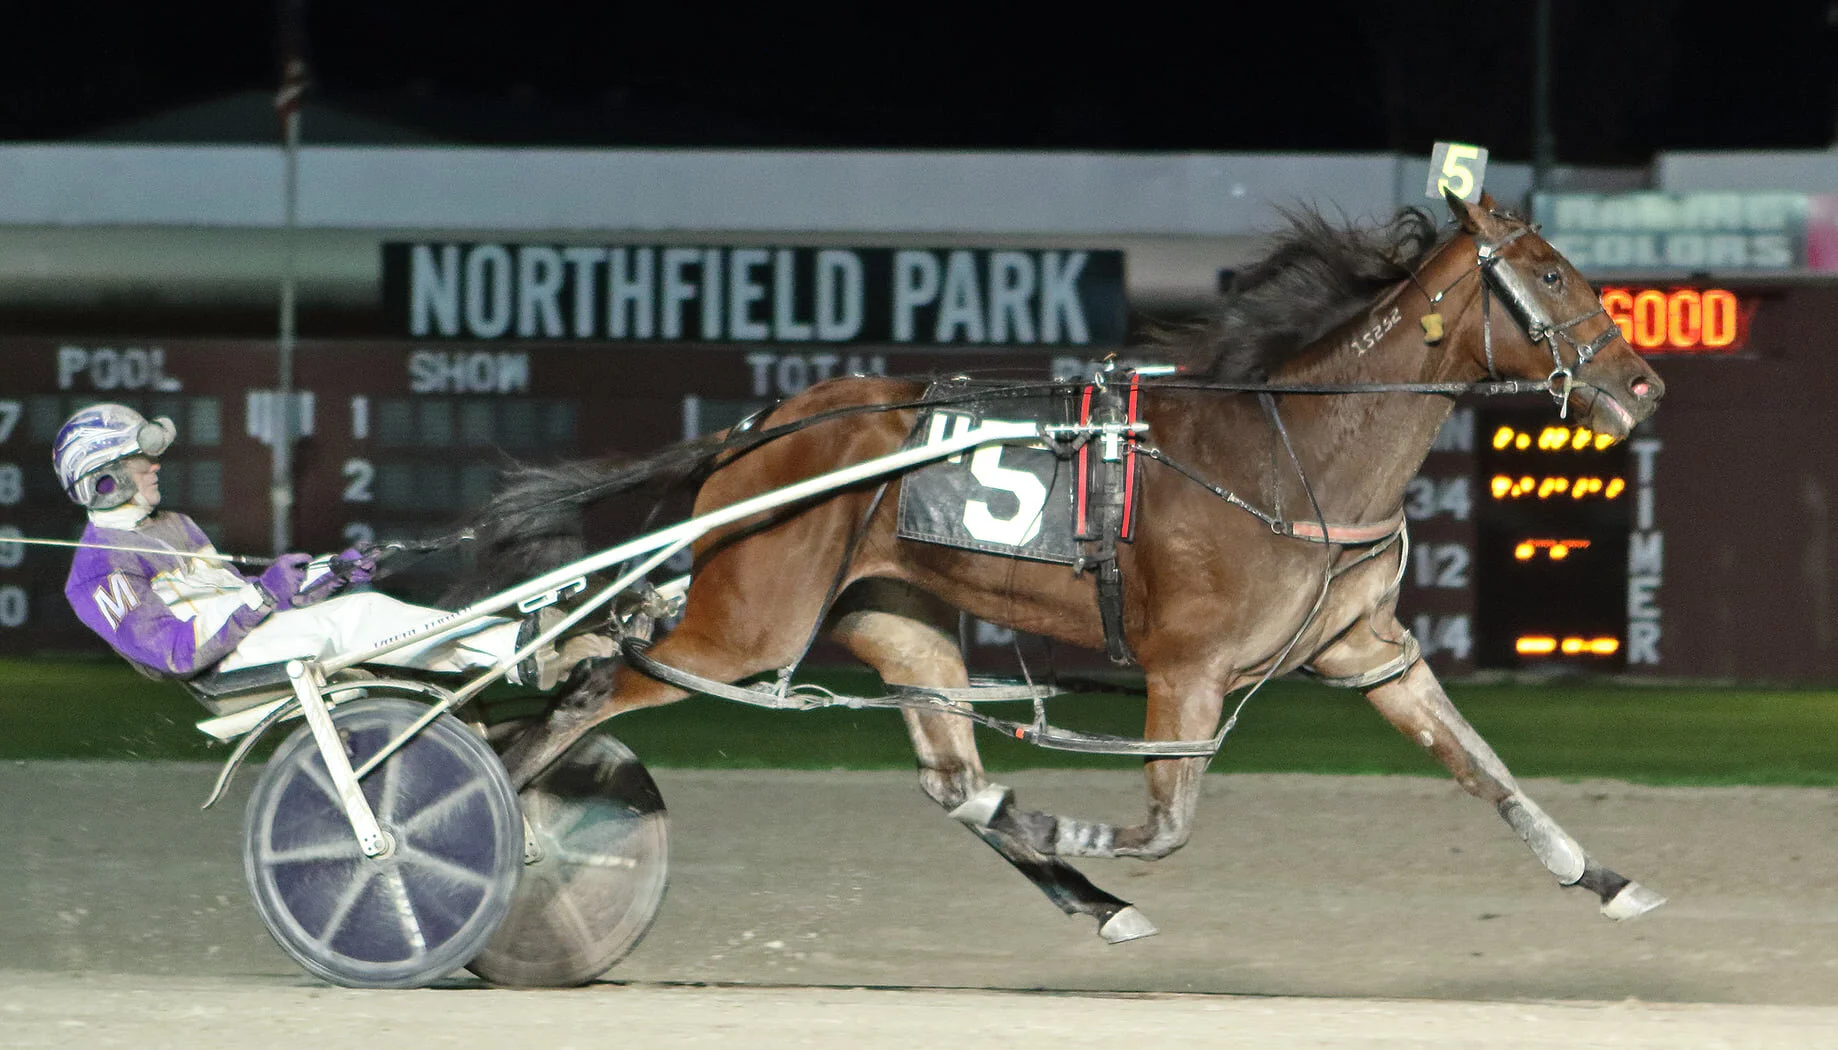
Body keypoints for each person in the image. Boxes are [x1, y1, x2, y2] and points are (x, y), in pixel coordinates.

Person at [54, 403, 608, 689]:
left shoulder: (172, 524)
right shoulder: (96, 569)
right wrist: (263, 597)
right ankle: (516, 649)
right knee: (356, 619)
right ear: (104, 476)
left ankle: (520, 650)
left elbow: (240, 594)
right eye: (138, 459)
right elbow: (172, 652)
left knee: (354, 604)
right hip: (221, 666)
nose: (154, 466)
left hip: (251, 639)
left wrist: (323, 575)